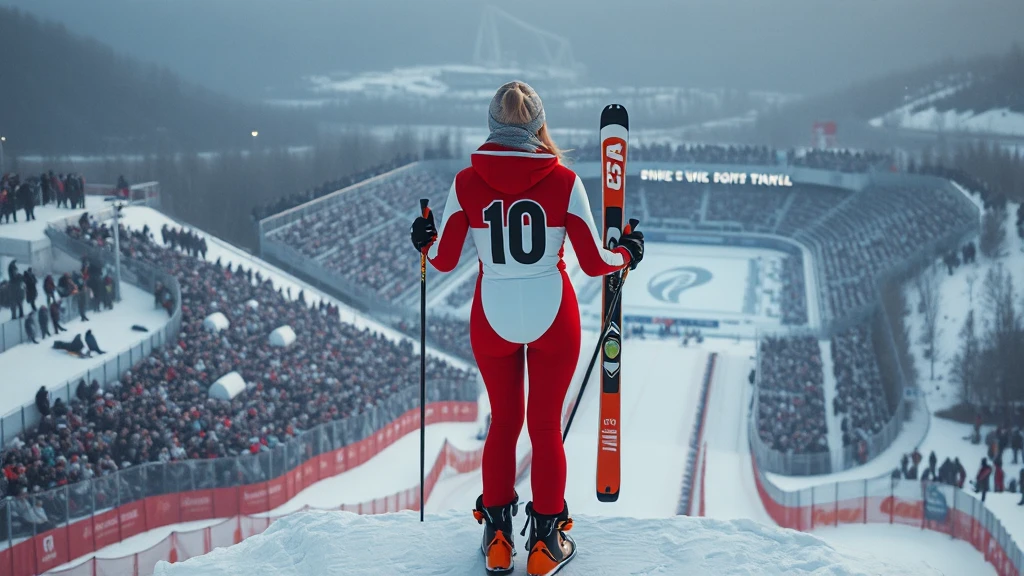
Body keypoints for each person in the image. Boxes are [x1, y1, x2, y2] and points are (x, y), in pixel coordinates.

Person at [410, 81, 644, 576]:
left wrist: (424, 240)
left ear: (491, 127)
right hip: (552, 315)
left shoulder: (467, 182)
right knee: (544, 428)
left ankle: (497, 539)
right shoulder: (561, 179)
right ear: (540, 126)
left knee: (504, 423)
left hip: (492, 315)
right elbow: (595, 261)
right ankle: (545, 543)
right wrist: (628, 252)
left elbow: (445, 257)